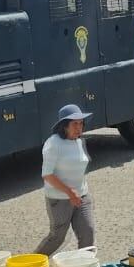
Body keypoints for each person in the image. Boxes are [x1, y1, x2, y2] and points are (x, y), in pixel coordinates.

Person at [34, 104, 96, 256]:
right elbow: (47, 174)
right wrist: (69, 192)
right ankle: (32, 263)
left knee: (88, 232)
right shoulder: (53, 144)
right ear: (64, 126)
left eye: (81, 123)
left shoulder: (80, 142)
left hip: (82, 196)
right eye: (74, 124)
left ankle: (84, 266)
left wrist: (78, 192)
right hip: (59, 198)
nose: (79, 128)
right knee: (57, 237)